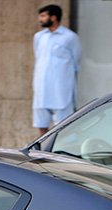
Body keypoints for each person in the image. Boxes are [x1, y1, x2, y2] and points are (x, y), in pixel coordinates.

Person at [33, 4, 81, 136]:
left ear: (53, 17)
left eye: (43, 16)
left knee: (63, 125)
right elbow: (38, 57)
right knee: (41, 123)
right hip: (41, 88)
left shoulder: (70, 37)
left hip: (61, 88)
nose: (40, 19)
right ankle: (42, 152)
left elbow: (76, 61)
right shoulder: (39, 37)